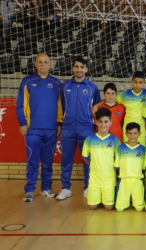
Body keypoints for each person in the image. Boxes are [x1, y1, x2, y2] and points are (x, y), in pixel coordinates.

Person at [16, 53, 62, 202]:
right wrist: (22, 123)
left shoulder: (56, 83)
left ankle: (46, 188)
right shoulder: (28, 81)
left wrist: (59, 123)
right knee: (32, 160)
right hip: (33, 130)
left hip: (51, 130)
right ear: (35, 64)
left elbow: (60, 106)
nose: (43, 64)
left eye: (46, 62)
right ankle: (29, 190)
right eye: (40, 62)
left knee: (48, 161)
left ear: (50, 64)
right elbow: (20, 104)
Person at [57, 57, 101, 200]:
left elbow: (97, 108)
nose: (79, 69)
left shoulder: (92, 87)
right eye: (76, 66)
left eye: (82, 67)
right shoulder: (64, 86)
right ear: (72, 68)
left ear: (86, 69)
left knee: (87, 160)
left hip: (86, 129)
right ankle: (65, 188)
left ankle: (88, 188)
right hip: (68, 128)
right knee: (66, 160)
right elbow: (61, 106)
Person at [82, 108, 120, 210]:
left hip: (109, 180)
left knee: (109, 208)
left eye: (106, 121)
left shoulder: (115, 140)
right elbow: (85, 158)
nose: (103, 124)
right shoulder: (89, 140)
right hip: (94, 180)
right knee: (92, 207)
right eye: (100, 122)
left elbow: (118, 159)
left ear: (110, 122)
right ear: (96, 122)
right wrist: (94, 165)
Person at [114, 122, 145, 212]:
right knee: (119, 208)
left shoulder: (143, 149)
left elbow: (144, 168)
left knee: (139, 208)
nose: (132, 136)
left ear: (139, 134)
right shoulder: (120, 148)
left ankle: (136, 201)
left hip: (137, 180)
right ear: (126, 134)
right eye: (130, 133)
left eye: (135, 133)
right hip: (124, 180)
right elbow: (117, 166)